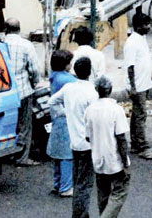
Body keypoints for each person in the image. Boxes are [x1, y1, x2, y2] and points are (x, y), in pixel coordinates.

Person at [49, 56, 99, 218]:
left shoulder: (69, 88)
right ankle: (80, 214)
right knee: (85, 184)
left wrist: (63, 113)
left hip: (74, 142)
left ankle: (78, 212)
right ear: (89, 72)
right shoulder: (92, 92)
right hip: (88, 143)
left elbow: (52, 101)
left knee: (78, 181)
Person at [84, 76, 131, 218]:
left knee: (103, 193)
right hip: (114, 158)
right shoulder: (116, 110)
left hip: (98, 158)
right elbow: (121, 139)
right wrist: (125, 162)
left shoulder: (90, 110)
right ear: (110, 90)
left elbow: (87, 136)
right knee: (120, 191)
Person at [3, 18, 42, 166]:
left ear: (5, 29)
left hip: (3, 92)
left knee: (8, 124)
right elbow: (34, 69)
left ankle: (6, 154)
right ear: (19, 29)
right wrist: (34, 82)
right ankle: (22, 157)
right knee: (25, 125)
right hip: (23, 90)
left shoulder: (0, 44)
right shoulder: (26, 45)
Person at [124, 10, 152, 160]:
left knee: (137, 114)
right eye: (145, 25)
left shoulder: (141, 38)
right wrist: (133, 87)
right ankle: (143, 146)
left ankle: (136, 143)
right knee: (141, 115)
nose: (148, 27)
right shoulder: (132, 42)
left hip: (144, 83)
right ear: (138, 27)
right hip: (138, 85)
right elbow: (130, 67)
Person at [48, 49, 77, 197]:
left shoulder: (55, 76)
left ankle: (58, 183)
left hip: (57, 119)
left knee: (59, 154)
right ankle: (66, 186)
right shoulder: (67, 80)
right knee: (67, 155)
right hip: (66, 119)